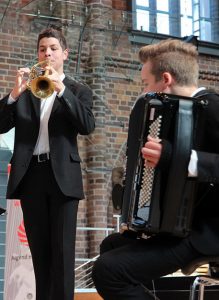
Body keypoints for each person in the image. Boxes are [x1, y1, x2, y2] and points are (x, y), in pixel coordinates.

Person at [92, 38, 219, 300]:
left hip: (207, 231)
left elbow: (184, 162)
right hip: (181, 229)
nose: (145, 91)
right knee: (111, 246)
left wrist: (174, 156)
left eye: (147, 84)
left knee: (108, 271)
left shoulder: (213, 107)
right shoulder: (174, 115)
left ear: (166, 79)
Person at [0, 27, 95, 300]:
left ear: (64, 53)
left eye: (53, 48)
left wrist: (62, 90)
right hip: (32, 177)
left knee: (62, 257)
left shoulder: (78, 90)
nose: (47, 53)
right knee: (40, 259)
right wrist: (14, 95)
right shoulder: (27, 90)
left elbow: (87, 125)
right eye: (42, 49)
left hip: (63, 178)